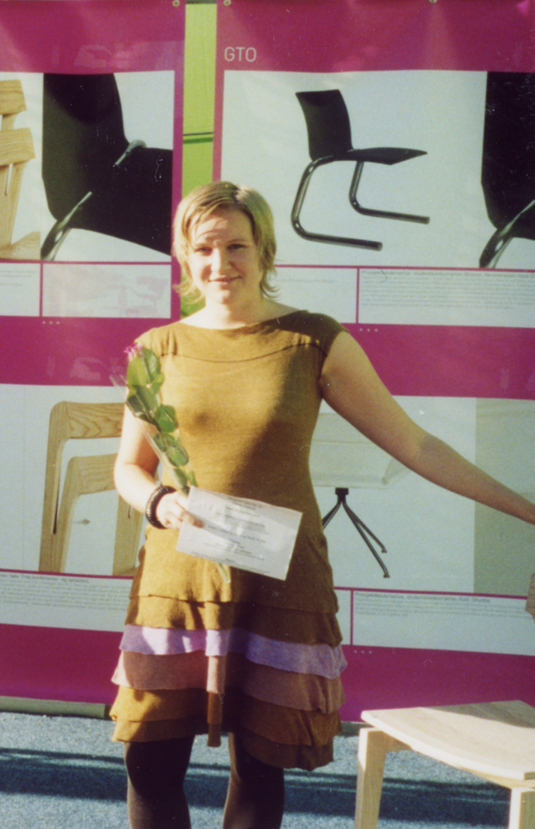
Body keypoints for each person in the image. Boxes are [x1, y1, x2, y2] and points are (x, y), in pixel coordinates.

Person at [110, 181, 535, 829]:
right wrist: (158, 501)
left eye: (235, 246)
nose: (219, 262)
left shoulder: (312, 341)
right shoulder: (155, 348)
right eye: (202, 247)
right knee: (149, 762)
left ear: (263, 251)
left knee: (259, 766)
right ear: (182, 255)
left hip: (281, 584)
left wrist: (527, 508)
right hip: (176, 583)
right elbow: (128, 466)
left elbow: (415, 443)